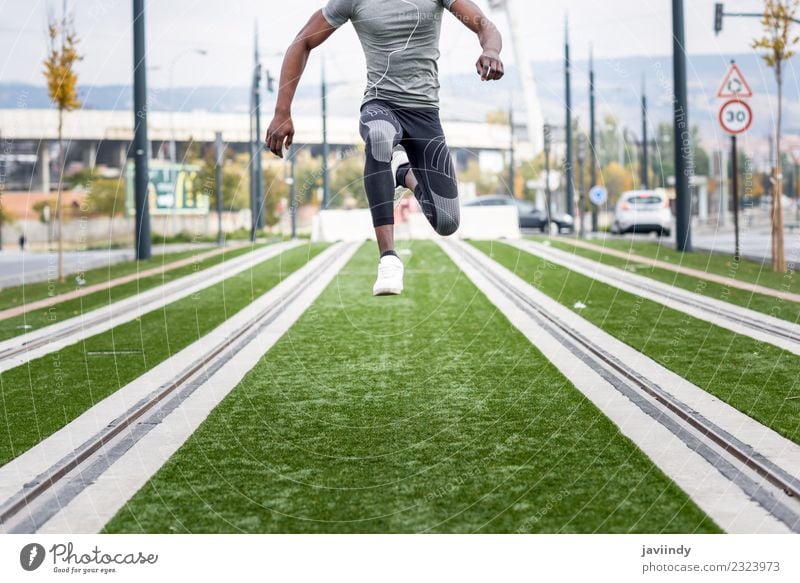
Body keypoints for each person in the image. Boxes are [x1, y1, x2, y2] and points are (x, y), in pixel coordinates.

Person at [265, 0, 504, 296]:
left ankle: (402, 173)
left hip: (425, 114)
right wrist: (281, 111)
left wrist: (490, 50)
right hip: (380, 104)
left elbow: (483, 24)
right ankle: (388, 258)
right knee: (379, 135)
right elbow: (302, 42)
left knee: (447, 222)